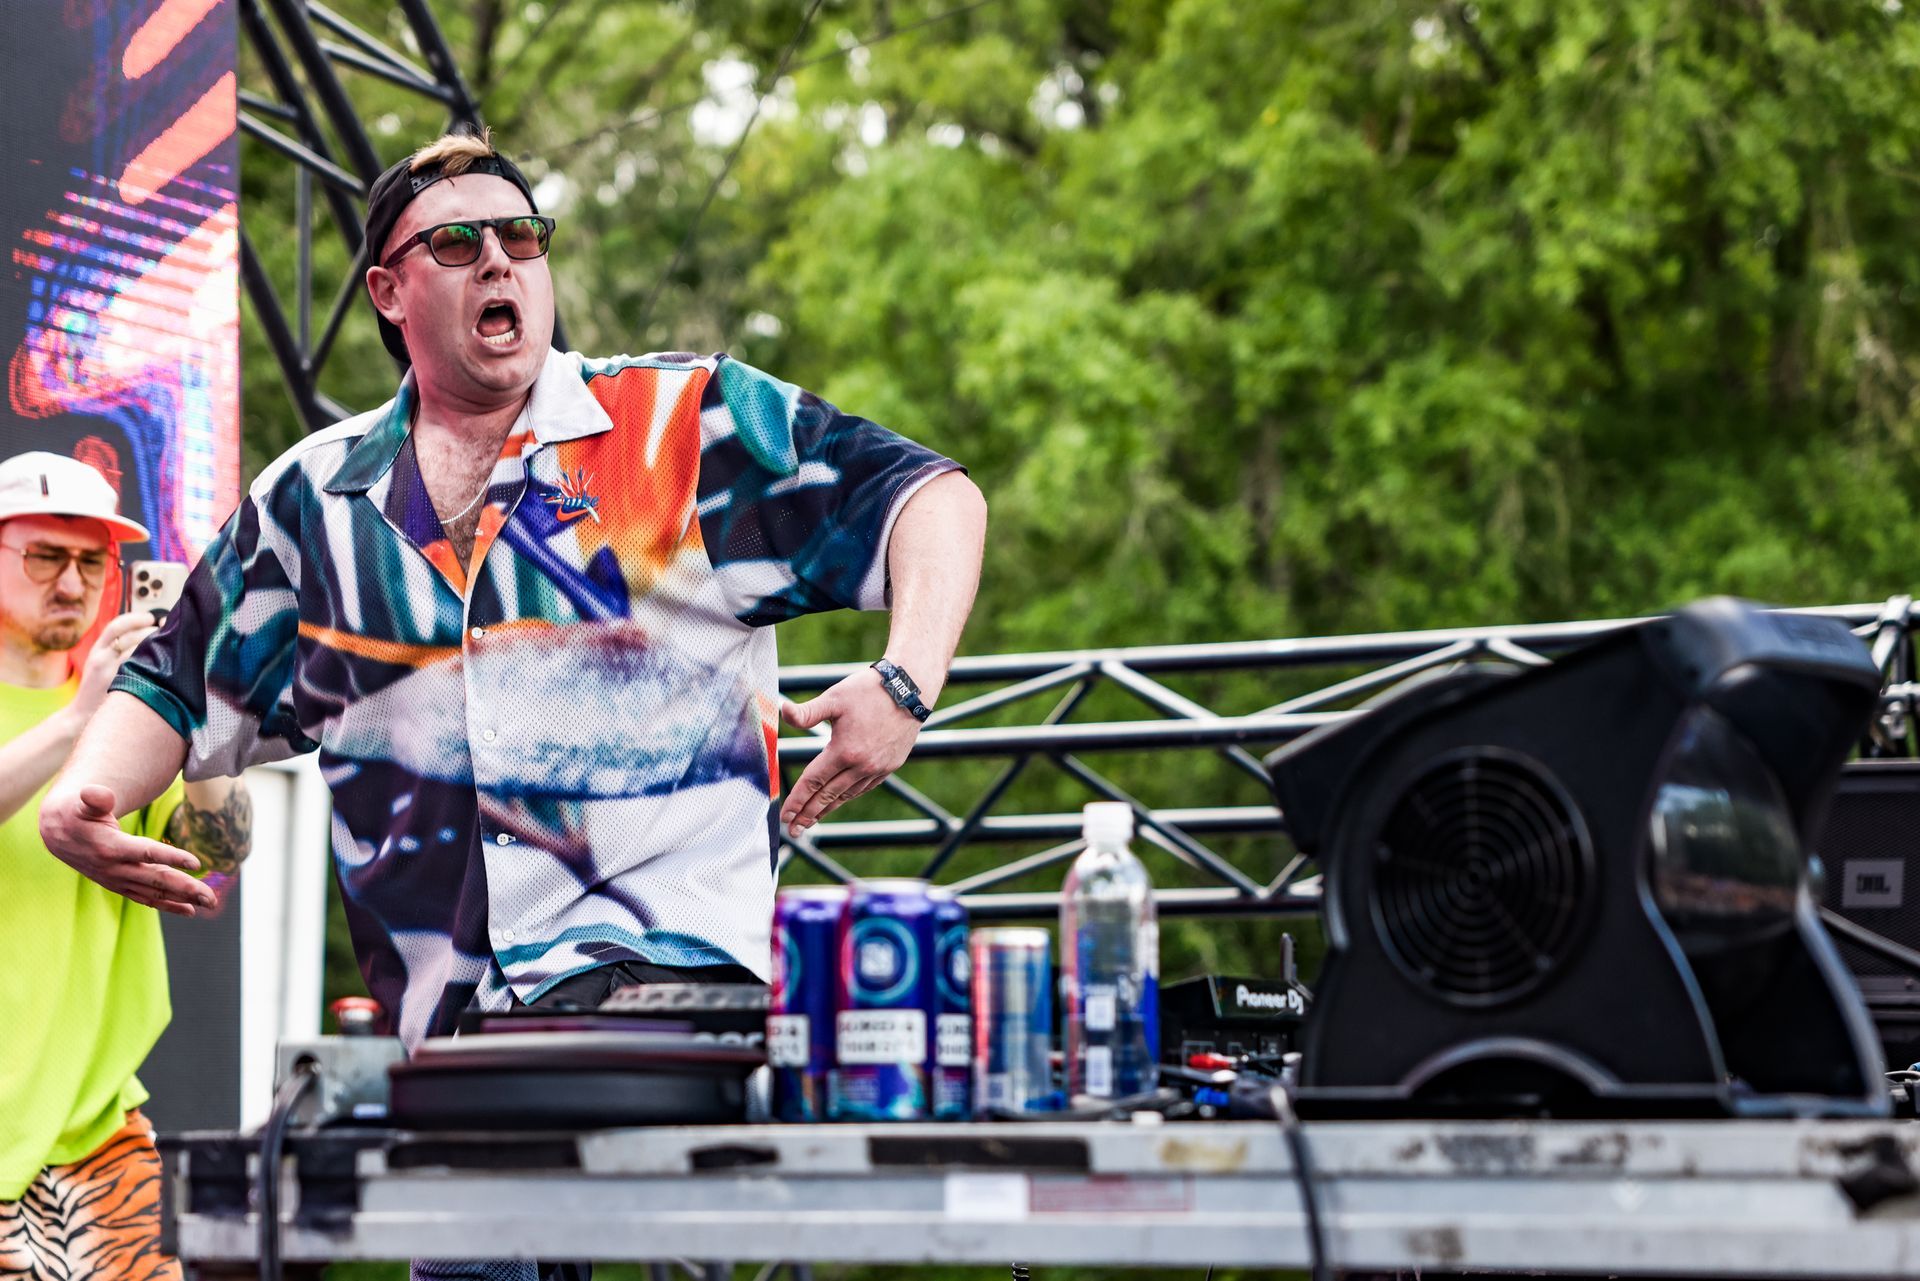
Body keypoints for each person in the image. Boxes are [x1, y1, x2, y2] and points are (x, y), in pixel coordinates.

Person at [41, 123, 987, 1053]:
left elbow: (928, 497)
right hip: (449, 1046)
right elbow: (172, 682)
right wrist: (82, 801)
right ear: (388, 291)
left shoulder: (681, 426)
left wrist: (906, 681)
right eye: (455, 243)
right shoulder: (311, 500)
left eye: (522, 235)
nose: (498, 259)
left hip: (671, 993)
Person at [0, 451, 251, 1281]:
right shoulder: (92, 717)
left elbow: (210, 870)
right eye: (46, 554)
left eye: (92, 559)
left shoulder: (127, 718)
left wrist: (212, 723)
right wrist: (78, 720)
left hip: (102, 1135)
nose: (72, 582)